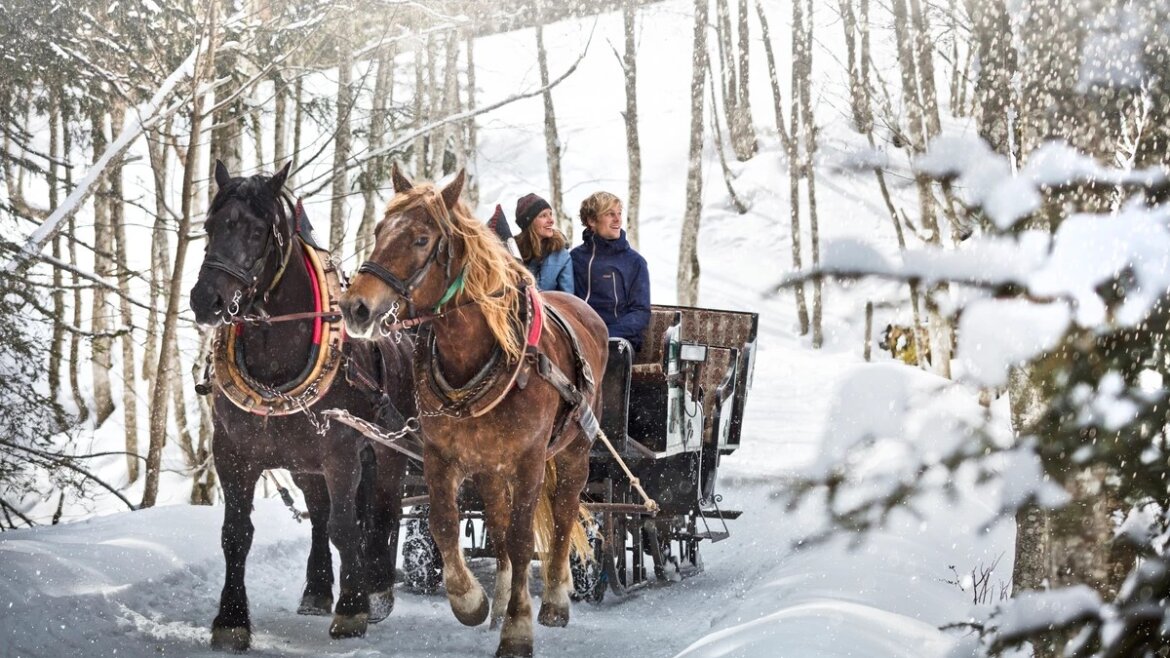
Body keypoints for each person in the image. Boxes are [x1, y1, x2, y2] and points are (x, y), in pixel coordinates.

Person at [570, 191, 650, 351]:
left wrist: (607, 335)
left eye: (619, 214)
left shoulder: (635, 262)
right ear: (592, 220)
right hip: (578, 337)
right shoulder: (574, 257)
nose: (618, 219)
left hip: (617, 342)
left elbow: (640, 312)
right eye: (610, 214)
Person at [514, 193, 574, 294]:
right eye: (543, 216)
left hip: (550, 308)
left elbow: (567, 299)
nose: (551, 220)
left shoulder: (560, 254)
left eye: (550, 214)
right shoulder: (513, 252)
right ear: (529, 222)